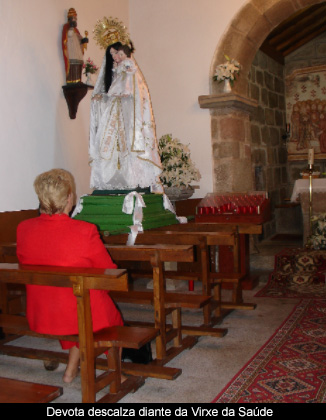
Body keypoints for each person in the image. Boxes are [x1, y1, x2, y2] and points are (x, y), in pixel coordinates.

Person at [16, 169, 123, 383]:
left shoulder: (24, 228)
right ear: (68, 198)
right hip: (77, 312)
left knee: (80, 298)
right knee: (109, 320)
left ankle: (70, 371)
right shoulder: (84, 230)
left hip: (42, 312)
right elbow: (110, 274)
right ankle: (116, 377)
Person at [89, 39, 163, 193]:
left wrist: (125, 94)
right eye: (112, 54)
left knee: (128, 145)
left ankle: (132, 179)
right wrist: (101, 98)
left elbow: (136, 91)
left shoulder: (130, 69)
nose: (115, 57)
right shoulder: (113, 71)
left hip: (129, 116)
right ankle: (110, 181)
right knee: (108, 145)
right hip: (112, 117)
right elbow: (109, 93)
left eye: (117, 53)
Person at [62, 8, 88, 84]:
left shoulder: (76, 30)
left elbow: (79, 39)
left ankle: (78, 80)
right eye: (73, 18)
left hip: (77, 51)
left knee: (79, 63)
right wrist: (71, 27)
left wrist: (83, 41)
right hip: (71, 51)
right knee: (73, 64)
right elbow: (67, 36)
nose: (75, 20)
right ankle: (72, 81)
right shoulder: (66, 27)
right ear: (70, 19)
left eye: (75, 19)